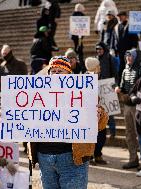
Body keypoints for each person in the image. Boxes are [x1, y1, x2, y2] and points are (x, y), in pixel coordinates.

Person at [29, 56, 109, 189]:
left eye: (60, 71)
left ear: (69, 74)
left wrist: (98, 116)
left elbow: (101, 124)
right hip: (45, 158)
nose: (55, 74)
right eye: (52, 71)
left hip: (72, 158)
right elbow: (24, 118)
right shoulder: (36, 94)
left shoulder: (83, 91)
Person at [115, 49, 141, 169]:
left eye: (131, 56)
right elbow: (123, 87)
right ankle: (133, 159)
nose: (128, 57)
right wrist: (118, 88)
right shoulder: (124, 70)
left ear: (136, 57)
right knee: (129, 133)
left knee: (140, 134)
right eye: (127, 55)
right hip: (127, 105)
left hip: (138, 106)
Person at [96, 42, 117, 140]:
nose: (98, 51)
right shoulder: (96, 59)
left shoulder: (109, 58)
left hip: (108, 88)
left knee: (110, 112)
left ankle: (112, 131)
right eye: (97, 49)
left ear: (104, 49)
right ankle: (101, 130)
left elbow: (114, 72)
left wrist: (113, 85)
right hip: (99, 88)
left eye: (100, 49)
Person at [111, 11, 139, 82]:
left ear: (125, 16)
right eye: (119, 16)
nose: (120, 17)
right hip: (119, 52)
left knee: (129, 67)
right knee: (121, 68)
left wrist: (134, 47)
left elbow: (135, 38)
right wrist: (113, 48)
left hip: (128, 51)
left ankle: (130, 83)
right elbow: (113, 39)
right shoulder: (116, 27)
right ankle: (122, 83)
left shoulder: (130, 25)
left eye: (121, 16)